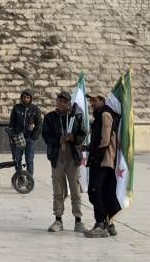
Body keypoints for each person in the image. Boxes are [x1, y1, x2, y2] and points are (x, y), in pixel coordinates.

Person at [40, 91, 86, 233]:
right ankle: (58, 219)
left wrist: (73, 138)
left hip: (72, 158)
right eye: (59, 101)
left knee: (75, 190)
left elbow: (83, 134)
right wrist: (57, 140)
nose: (61, 103)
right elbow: (46, 136)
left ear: (69, 103)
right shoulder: (50, 117)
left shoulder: (76, 117)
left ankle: (78, 220)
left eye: (65, 101)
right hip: (57, 158)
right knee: (58, 189)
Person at [86, 97, 124, 238]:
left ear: (102, 100)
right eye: (90, 101)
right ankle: (109, 223)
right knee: (105, 192)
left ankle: (100, 224)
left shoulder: (105, 114)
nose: (91, 103)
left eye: (94, 100)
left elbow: (105, 140)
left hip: (103, 160)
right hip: (105, 160)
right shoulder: (100, 115)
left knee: (95, 191)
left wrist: (96, 157)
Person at [7, 91, 41, 185]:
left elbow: (39, 124)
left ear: (31, 98)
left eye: (28, 97)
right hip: (18, 138)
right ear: (21, 98)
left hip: (30, 139)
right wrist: (13, 134)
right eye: (24, 97)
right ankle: (20, 179)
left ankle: (29, 181)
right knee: (17, 160)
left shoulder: (35, 109)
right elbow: (12, 123)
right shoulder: (17, 108)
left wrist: (34, 136)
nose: (26, 99)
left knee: (29, 160)